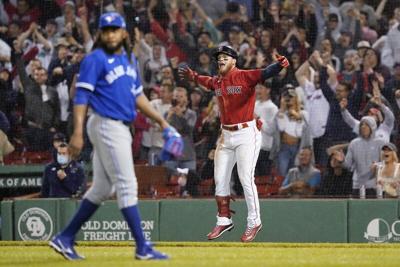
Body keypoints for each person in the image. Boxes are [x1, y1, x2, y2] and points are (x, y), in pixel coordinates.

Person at [49, 12, 179, 261]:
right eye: (105, 30)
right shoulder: (95, 59)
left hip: (118, 127)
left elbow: (138, 97)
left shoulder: (128, 62)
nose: (110, 34)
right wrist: (76, 132)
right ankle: (142, 247)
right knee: (127, 185)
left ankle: (65, 237)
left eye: (114, 29)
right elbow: (81, 97)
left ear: (123, 33)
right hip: (107, 125)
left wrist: (162, 121)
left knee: (101, 188)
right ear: (100, 33)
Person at [179, 45, 289, 242]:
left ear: (234, 61)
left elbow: (265, 73)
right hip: (226, 135)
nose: (220, 60)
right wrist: (193, 75)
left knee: (245, 178)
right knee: (220, 179)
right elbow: (206, 81)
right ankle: (223, 219)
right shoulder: (218, 81)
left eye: (225, 57)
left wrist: (279, 65)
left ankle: (254, 221)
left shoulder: (245, 76)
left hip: (247, 133)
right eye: (219, 57)